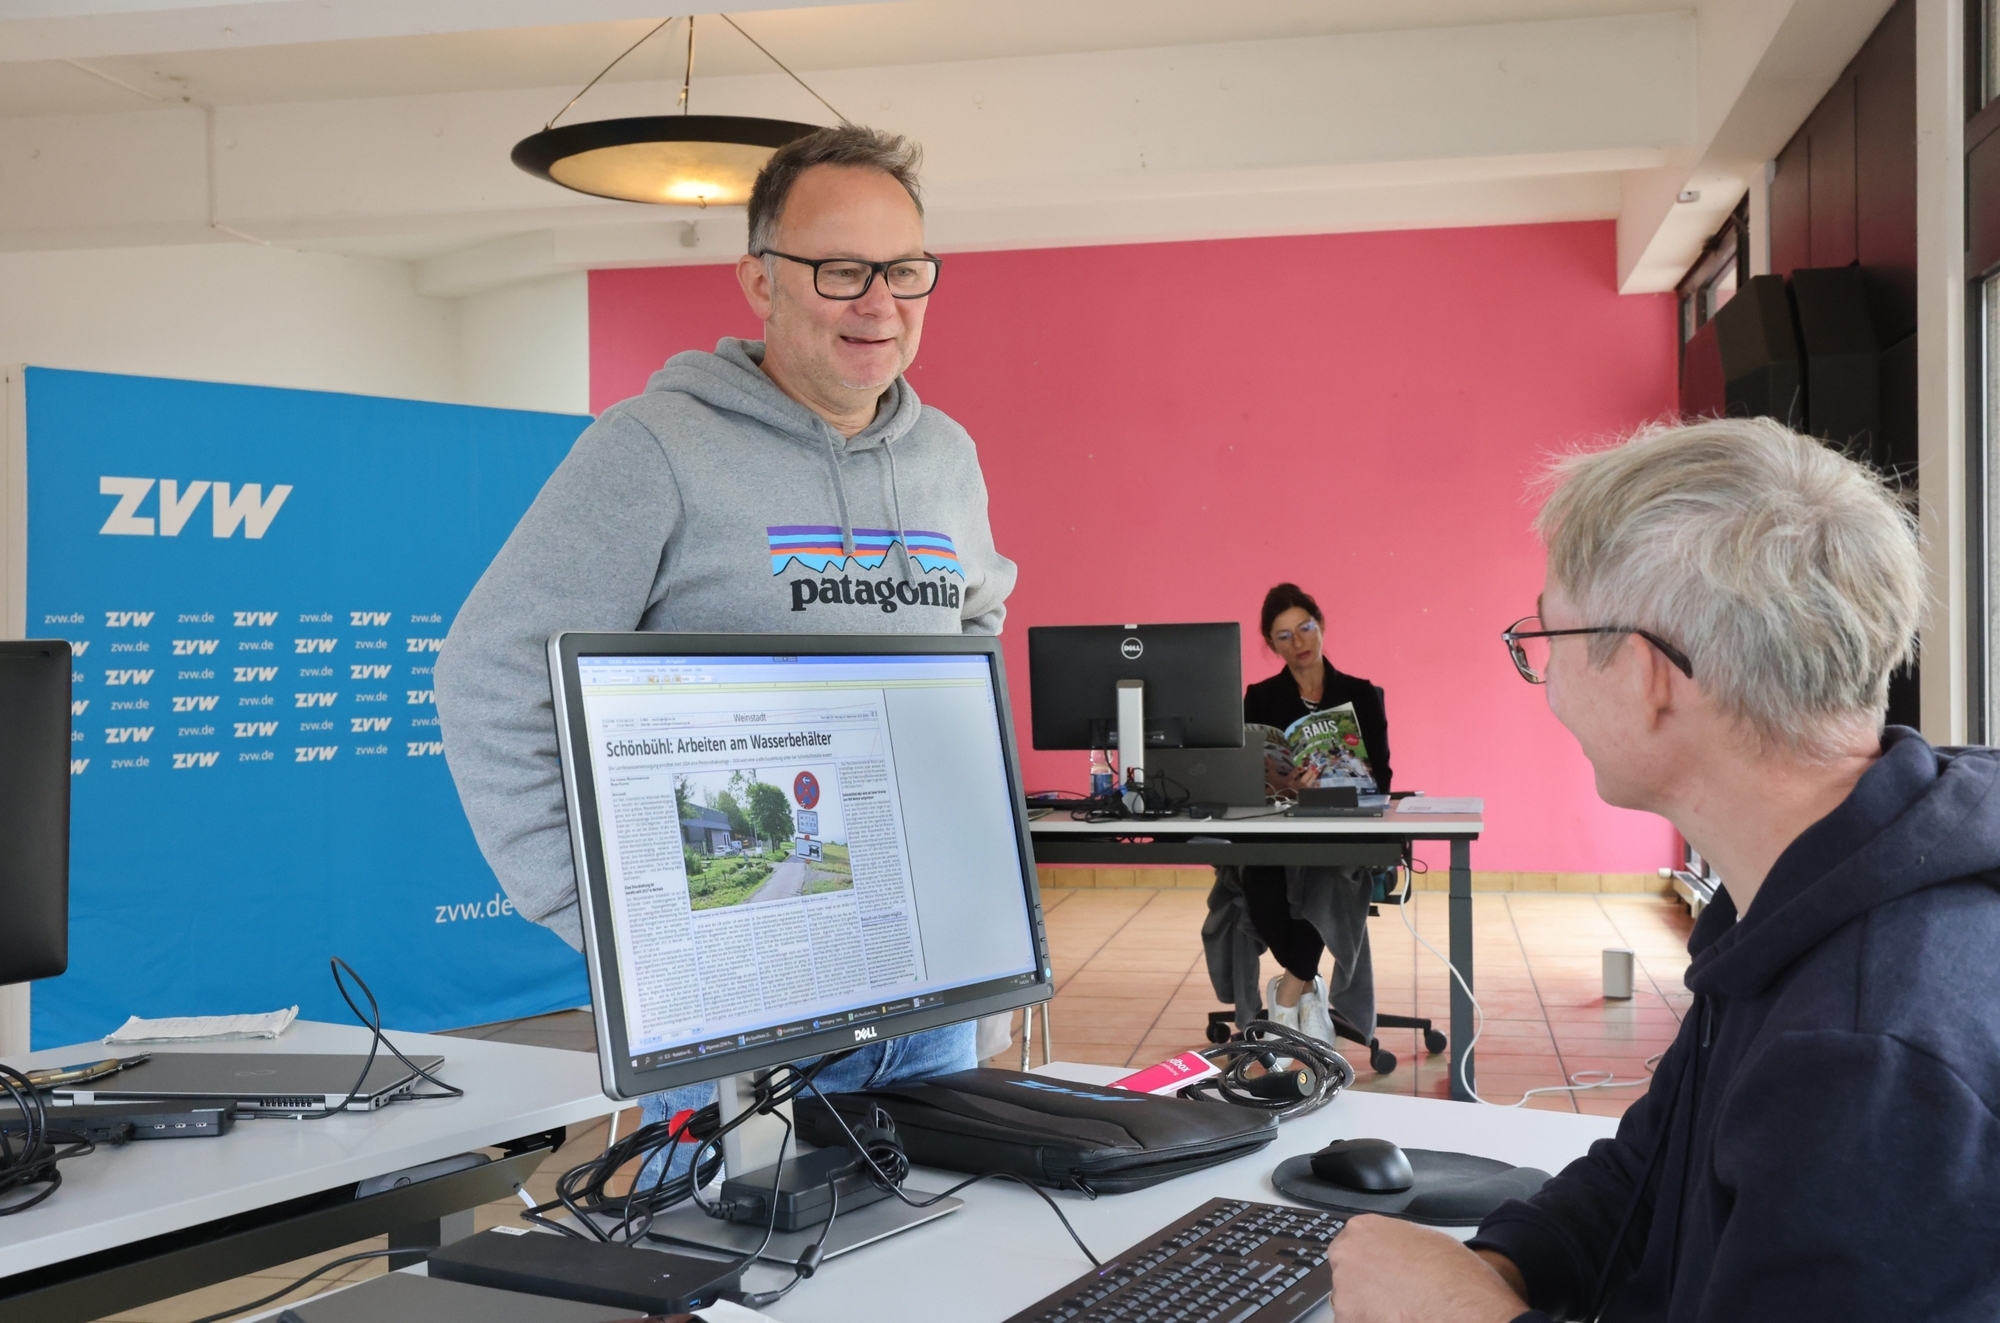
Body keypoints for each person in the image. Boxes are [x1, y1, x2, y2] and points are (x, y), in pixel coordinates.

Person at [1328, 416, 2000, 1321]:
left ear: (1648, 676)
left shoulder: (1864, 1056)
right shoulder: (1809, 891)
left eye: (1550, 638)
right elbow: (1652, 1172)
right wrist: (1500, 1265)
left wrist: (1463, 1314)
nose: (1548, 683)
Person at [435, 126, 1018, 1146]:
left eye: (903, 270)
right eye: (840, 270)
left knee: (939, 1222)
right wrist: (610, 922)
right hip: (741, 991)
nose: (879, 303)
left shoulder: (944, 457)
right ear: (760, 280)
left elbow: (973, 636)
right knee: (724, 1240)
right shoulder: (652, 448)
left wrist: (980, 891)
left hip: (928, 977)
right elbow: (489, 676)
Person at [1238, 582, 1391, 1044]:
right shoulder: (1260, 697)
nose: (1298, 642)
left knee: (1326, 879)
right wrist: (1288, 785)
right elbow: (1248, 780)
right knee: (1260, 884)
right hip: (1281, 829)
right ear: (1271, 645)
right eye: (1283, 636)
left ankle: (1286, 996)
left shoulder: (1360, 694)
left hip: (1342, 829)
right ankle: (1308, 992)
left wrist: (1337, 779)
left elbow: (1382, 776)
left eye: (1305, 628)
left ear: (1320, 625)